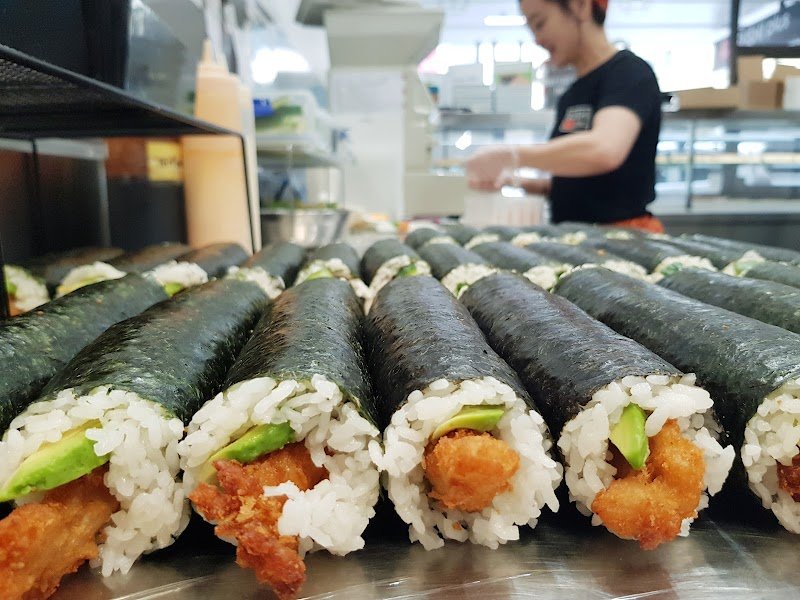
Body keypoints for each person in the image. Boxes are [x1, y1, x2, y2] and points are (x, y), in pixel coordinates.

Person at [464, 0, 665, 233]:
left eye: (540, 23)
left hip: (623, 235)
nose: (537, 40)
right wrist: (516, 181)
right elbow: (582, 186)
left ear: (581, 6)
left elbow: (604, 149)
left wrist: (511, 156)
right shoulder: (571, 94)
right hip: (576, 235)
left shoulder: (628, 73)